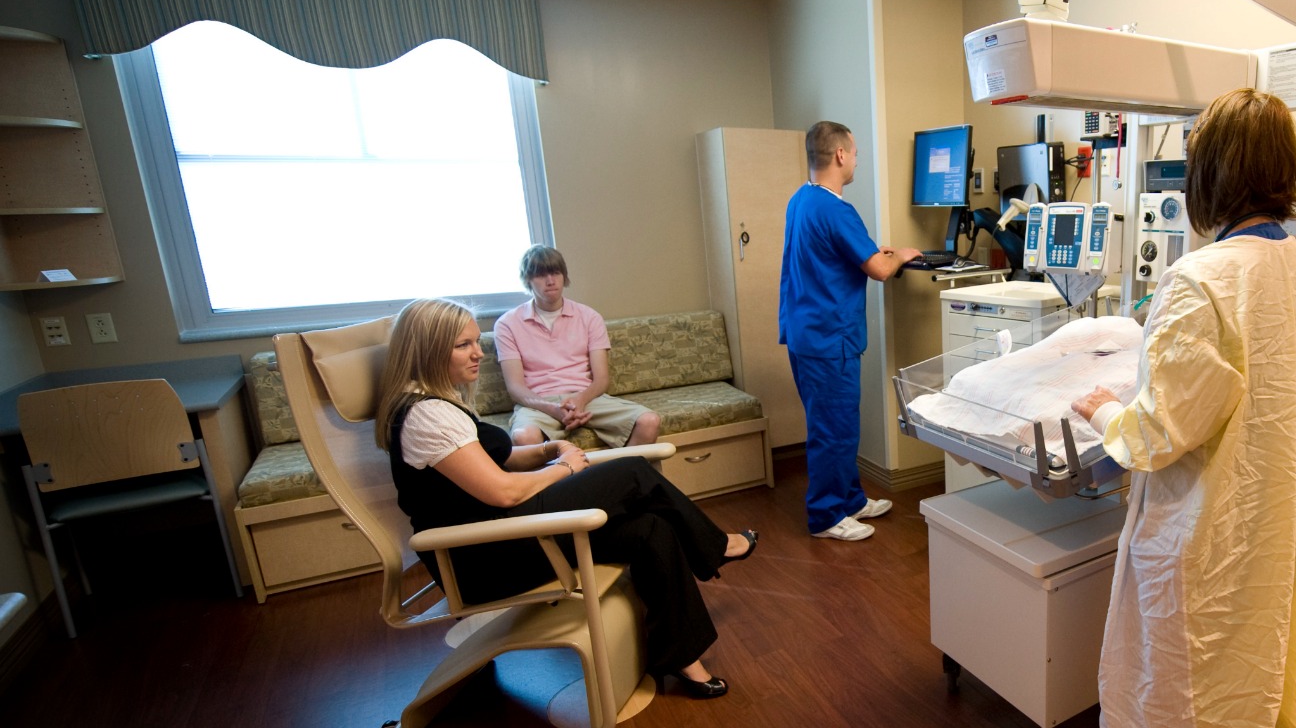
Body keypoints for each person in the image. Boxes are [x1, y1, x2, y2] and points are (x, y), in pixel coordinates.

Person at [1072, 87, 1296, 728]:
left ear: (1208, 176)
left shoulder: (1202, 278)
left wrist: (1104, 408)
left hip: (1204, 530)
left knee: (1189, 686)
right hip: (1275, 525)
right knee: (1254, 680)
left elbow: (1158, 434)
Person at [374, 298, 758, 698]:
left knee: (650, 528)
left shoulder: (437, 402)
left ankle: (682, 657)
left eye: (476, 341)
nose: (479, 352)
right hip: (480, 560)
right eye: (463, 345)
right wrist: (566, 468)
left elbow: (496, 459)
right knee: (632, 471)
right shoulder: (426, 415)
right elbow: (503, 490)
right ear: (429, 350)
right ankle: (715, 546)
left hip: (500, 537)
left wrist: (548, 450)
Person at [779, 120, 921, 541]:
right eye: (855, 152)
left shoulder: (801, 200)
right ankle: (825, 516)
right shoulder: (837, 209)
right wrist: (904, 255)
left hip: (806, 333)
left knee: (838, 425)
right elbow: (878, 270)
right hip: (829, 339)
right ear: (840, 155)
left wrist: (877, 253)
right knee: (832, 430)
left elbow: (830, 254)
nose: (856, 159)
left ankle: (851, 499)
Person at [493, 246, 664, 450]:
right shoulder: (507, 324)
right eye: (540, 274)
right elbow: (515, 388)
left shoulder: (589, 317)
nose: (550, 280)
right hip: (539, 402)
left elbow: (601, 379)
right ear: (528, 279)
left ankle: (619, 479)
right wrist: (553, 408)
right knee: (524, 438)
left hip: (585, 396)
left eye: (555, 273)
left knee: (649, 421)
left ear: (564, 276)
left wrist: (580, 400)